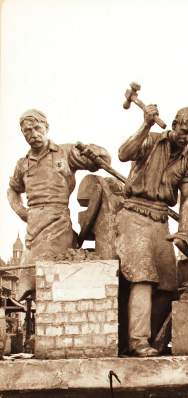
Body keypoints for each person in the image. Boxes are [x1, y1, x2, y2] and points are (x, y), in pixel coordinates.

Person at [116, 104, 188, 357]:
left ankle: (156, 341)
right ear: (174, 125)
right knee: (143, 277)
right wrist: (146, 124)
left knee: (167, 284)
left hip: (161, 220)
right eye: (184, 131)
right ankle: (137, 341)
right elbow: (123, 153)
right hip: (134, 215)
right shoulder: (151, 140)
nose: (187, 138)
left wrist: (183, 231)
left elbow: (187, 197)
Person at [7, 109, 111, 297]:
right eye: (27, 131)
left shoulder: (65, 152)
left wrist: (95, 151)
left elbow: (102, 161)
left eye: (37, 128)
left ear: (46, 127)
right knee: (34, 283)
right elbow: (12, 189)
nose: (33, 134)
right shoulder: (23, 164)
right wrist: (22, 211)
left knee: (58, 278)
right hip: (34, 227)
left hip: (58, 222)